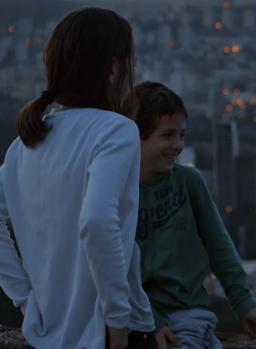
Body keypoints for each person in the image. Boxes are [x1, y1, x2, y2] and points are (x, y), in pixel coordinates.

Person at [0, 8, 156, 349]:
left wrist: (26, 300)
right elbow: (98, 222)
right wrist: (118, 323)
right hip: (111, 334)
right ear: (114, 69)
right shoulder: (117, 131)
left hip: (48, 333)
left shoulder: (24, 145)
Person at [125, 81, 256, 349]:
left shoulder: (189, 182)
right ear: (136, 136)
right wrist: (150, 321)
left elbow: (218, 245)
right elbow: (110, 267)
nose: (178, 145)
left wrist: (242, 301)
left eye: (182, 135)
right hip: (138, 317)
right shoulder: (118, 191)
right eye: (167, 135)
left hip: (188, 311)